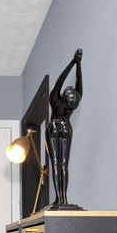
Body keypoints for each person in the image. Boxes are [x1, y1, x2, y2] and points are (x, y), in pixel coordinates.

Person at [46, 49, 83, 210]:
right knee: (62, 164)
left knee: (56, 163)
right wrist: (77, 64)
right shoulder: (71, 106)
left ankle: (61, 199)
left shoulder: (56, 102)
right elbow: (79, 86)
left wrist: (73, 63)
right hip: (66, 127)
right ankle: (62, 198)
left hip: (54, 127)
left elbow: (58, 83)